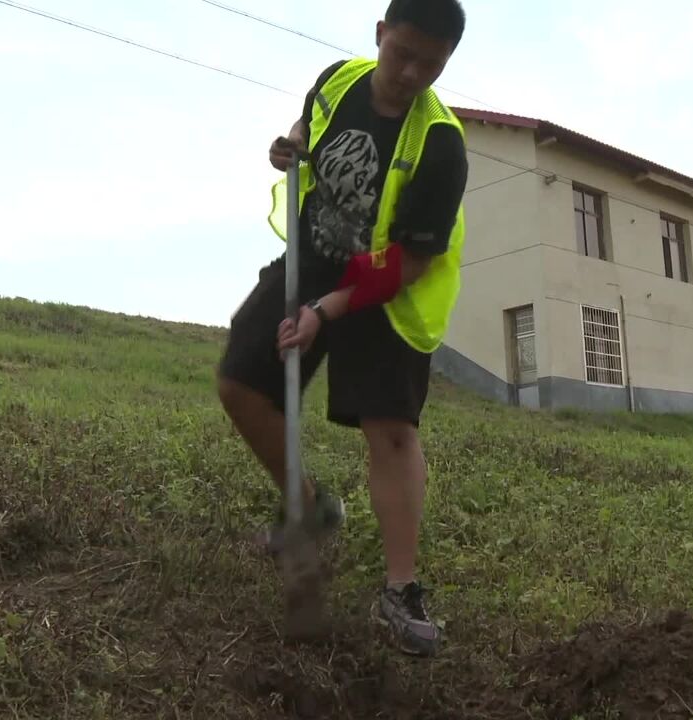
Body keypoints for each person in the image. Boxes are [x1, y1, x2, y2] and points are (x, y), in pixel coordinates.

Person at [215, 0, 469, 658]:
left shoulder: (441, 147)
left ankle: (400, 590)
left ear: (447, 63)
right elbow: (310, 121)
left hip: (387, 284)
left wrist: (325, 312)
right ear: (380, 35)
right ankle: (308, 507)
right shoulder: (337, 78)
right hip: (314, 251)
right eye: (402, 54)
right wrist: (291, 142)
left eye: (430, 65)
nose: (411, 72)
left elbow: (411, 261)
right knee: (241, 384)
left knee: (390, 430)